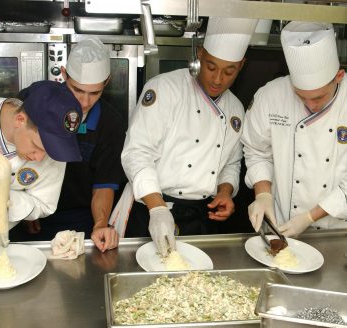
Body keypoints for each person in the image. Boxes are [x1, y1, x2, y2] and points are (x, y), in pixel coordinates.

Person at [121, 17, 259, 256]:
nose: (218, 80)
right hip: (154, 208)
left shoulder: (236, 109)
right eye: (211, 67)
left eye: (229, 71)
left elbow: (231, 163)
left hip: (202, 216)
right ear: (201, 55)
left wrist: (225, 192)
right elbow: (137, 153)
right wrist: (157, 209)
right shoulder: (164, 89)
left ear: (242, 65)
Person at [241, 21, 347, 237]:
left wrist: (309, 217)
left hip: (339, 231)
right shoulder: (271, 96)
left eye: (318, 97)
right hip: (282, 226)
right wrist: (263, 194)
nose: (310, 105)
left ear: (339, 77)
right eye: (300, 96)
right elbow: (257, 151)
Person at [19, 39, 126, 252]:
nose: (85, 102)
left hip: (79, 217)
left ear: (107, 82)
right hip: (29, 208)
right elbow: (13, 154)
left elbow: (104, 184)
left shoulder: (110, 123)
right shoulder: (35, 100)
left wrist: (100, 225)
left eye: (94, 93)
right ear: (64, 74)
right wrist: (23, 208)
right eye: (77, 90)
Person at [0, 81, 82, 243]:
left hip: (6, 236)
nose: (40, 158)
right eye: (37, 146)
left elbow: (44, 204)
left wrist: (5, 198)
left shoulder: (54, 152)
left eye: (49, 152)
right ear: (20, 120)